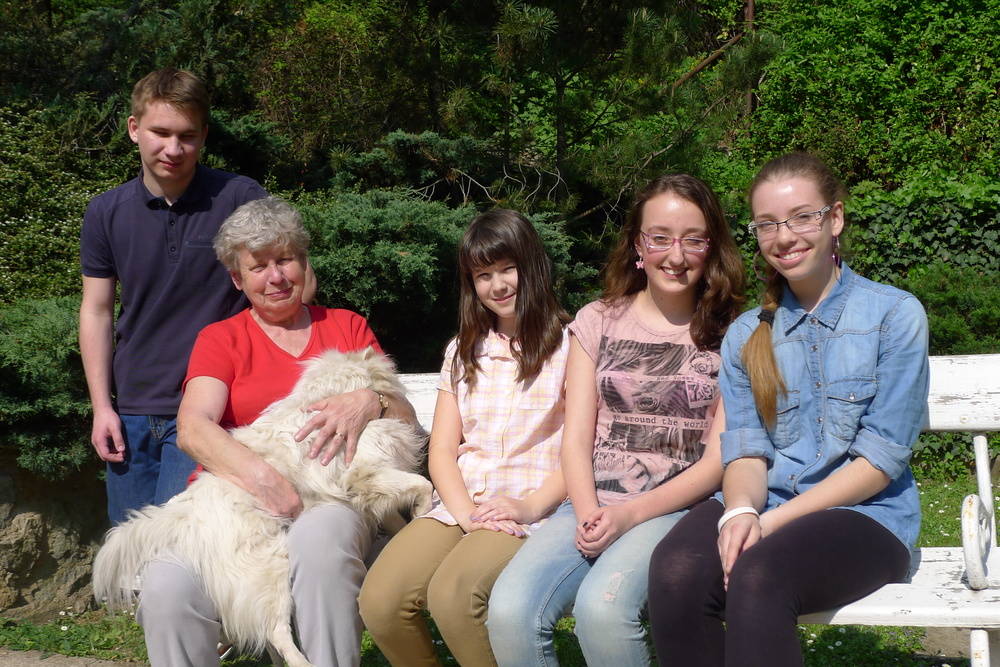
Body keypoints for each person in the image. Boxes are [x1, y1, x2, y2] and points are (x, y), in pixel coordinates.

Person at [647, 153, 930, 667]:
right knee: (676, 571)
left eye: (802, 217)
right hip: (766, 500)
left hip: (867, 515)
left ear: (834, 219)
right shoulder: (746, 334)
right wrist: (740, 511)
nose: (784, 237)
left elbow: (880, 460)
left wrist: (772, 522)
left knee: (759, 576)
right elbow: (746, 450)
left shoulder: (894, 315)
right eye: (767, 224)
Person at [135, 197, 415, 667]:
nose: (276, 277)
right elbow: (193, 428)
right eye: (258, 266)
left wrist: (374, 400)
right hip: (237, 502)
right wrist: (264, 481)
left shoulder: (346, 326)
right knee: (166, 586)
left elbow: (406, 419)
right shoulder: (221, 339)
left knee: (321, 541)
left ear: (303, 263)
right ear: (237, 279)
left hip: (333, 494)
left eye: (285, 260)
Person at [487, 174, 745, 666]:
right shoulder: (597, 320)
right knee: (509, 611)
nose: (676, 255)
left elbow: (716, 462)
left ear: (711, 248)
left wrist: (628, 515)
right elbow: (577, 438)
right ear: (637, 246)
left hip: (674, 510)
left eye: (693, 239)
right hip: (588, 503)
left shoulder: (732, 333)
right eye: (660, 238)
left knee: (603, 612)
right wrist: (588, 510)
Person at [358, 209, 571, 667]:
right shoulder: (463, 350)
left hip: (531, 509)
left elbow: (579, 451)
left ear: (533, 265)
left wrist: (528, 506)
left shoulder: (572, 347)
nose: (498, 285)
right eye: (483, 275)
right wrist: (466, 515)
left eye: (508, 269)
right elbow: (441, 450)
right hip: (463, 504)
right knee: (380, 601)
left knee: (454, 596)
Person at [79, 68, 269, 525]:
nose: (173, 149)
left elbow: (289, 285)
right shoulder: (105, 212)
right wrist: (102, 408)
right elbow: (97, 311)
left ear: (204, 136)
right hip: (133, 411)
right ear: (134, 129)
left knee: (182, 548)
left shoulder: (240, 198)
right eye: (160, 133)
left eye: (187, 136)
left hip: (213, 409)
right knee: (131, 549)